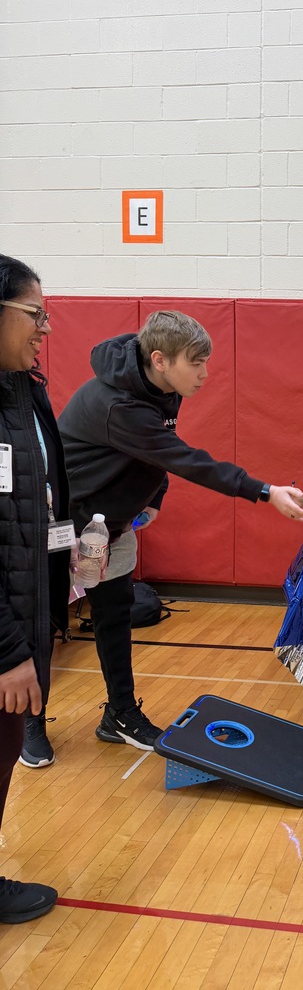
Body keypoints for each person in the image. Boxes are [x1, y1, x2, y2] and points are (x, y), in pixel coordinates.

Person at [56, 310, 303, 753]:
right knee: (48, 625)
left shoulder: (160, 391)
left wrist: (153, 496)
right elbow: (185, 458)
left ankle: (118, 714)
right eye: (196, 363)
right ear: (159, 359)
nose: (204, 374)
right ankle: (32, 723)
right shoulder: (119, 405)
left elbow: (158, 452)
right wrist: (265, 491)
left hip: (112, 527)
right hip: (70, 526)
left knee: (113, 620)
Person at [0, 255, 61, 920]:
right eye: (33, 314)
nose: (45, 327)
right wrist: (8, 651)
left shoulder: (21, 390)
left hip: (26, 603)